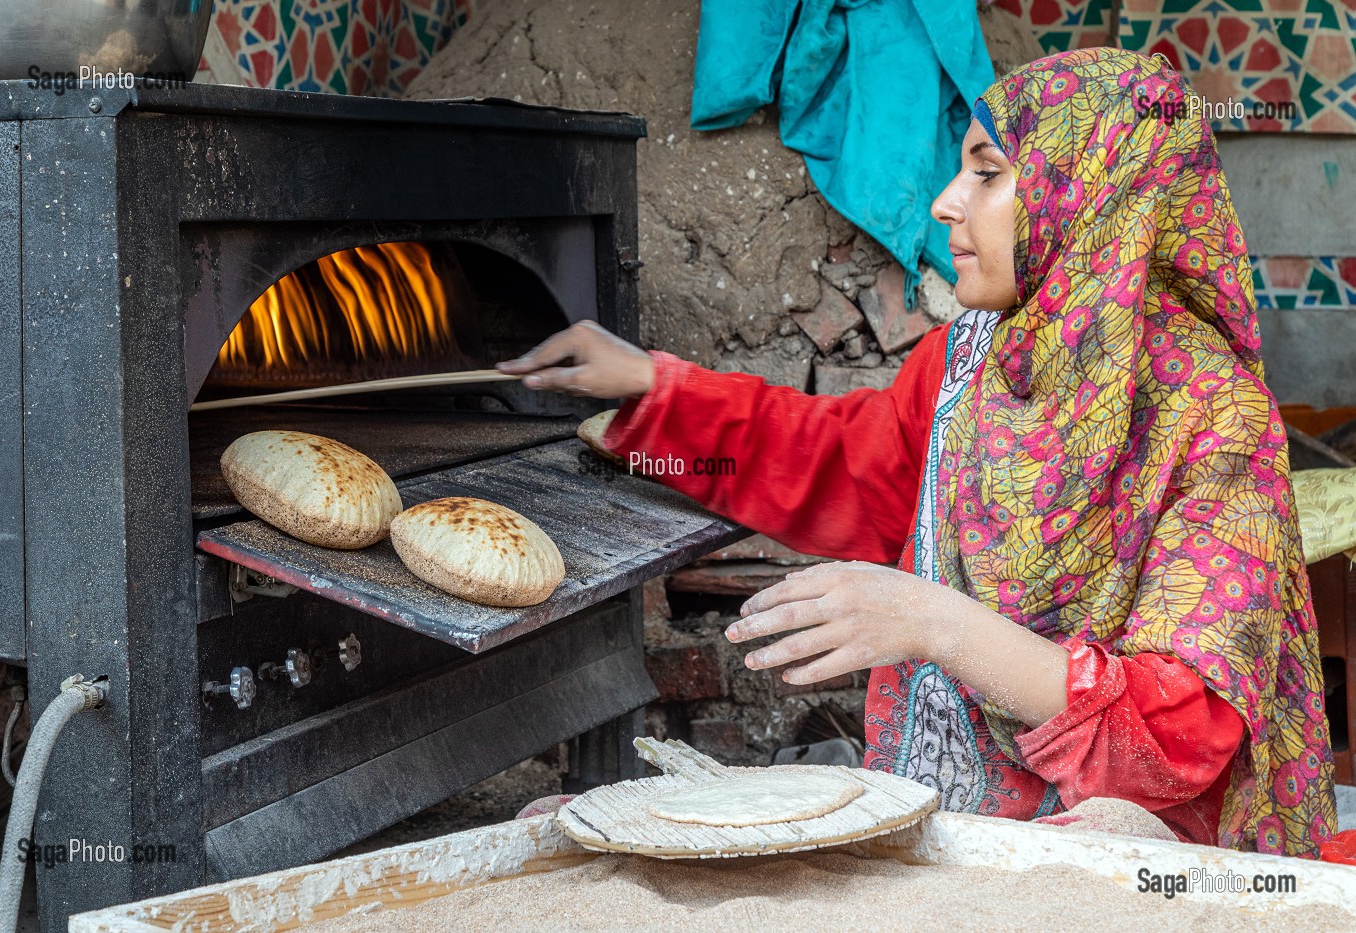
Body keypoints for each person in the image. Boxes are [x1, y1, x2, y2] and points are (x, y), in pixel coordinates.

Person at [498, 47, 1336, 857]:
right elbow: (836, 463)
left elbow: (1180, 731)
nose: (944, 202)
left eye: (987, 171)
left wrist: (931, 622)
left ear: (1092, 188)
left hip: (1119, 852)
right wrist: (653, 391)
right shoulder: (970, 359)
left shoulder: (1213, 415)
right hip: (946, 813)